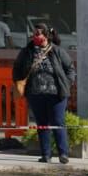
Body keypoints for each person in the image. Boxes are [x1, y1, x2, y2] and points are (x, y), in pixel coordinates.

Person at [12, 24, 77, 163]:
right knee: (42, 124)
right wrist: (18, 81)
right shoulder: (27, 51)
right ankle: (46, 155)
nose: (34, 37)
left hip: (56, 94)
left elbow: (70, 69)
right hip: (35, 94)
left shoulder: (57, 51)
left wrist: (67, 83)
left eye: (38, 34)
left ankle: (63, 154)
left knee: (58, 122)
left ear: (46, 36)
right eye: (34, 34)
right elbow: (17, 68)